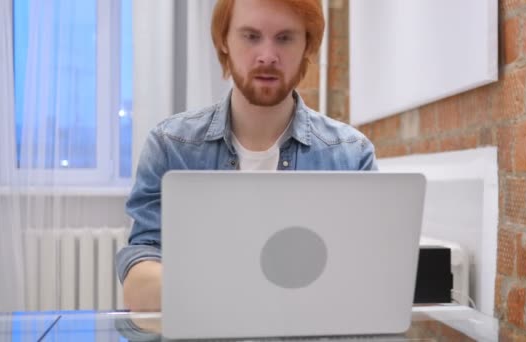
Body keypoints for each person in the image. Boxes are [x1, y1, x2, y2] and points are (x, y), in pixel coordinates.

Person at [116, 0, 378, 312]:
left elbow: (366, 279)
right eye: (251, 36)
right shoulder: (171, 146)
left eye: (284, 38)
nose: (267, 56)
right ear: (223, 41)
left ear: (307, 45)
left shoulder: (351, 155)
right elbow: (140, 280)